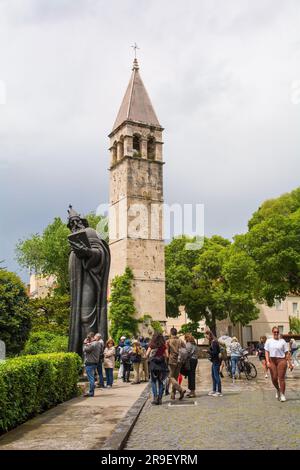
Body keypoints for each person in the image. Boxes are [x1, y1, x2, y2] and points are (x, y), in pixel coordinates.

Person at [265, 326, 292, 402]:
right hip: (272, 360)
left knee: (281, 378)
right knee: (273, 378)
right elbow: (266, 352)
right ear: (272, 332)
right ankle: (278, 389)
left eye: (277, 332)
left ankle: (283, 394)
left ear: (279, 333)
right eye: (275, 332)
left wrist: (289, 363)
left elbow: (287, 353)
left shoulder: (282, 341)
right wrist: (267, 362)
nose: (276, 333)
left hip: (281, 360)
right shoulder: (268, 341)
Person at [146, 333, 169, 405]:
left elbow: (146, 354)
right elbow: (167, 355)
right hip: (161, 365)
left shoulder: (151, 345)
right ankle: (160, 399)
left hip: (153, 365)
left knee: (153, 381)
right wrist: (161, 355)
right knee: (160, 381)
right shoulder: (163, 346)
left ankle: (155, 398)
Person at [167, 328, 186, 400]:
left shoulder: (168, 341)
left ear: (171, 333)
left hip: (172, 360)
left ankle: (180, 389)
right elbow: (185, 349)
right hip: (180, 360)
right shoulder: (181, 341)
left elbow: (167, 352)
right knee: (175, 377)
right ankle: (173, 394)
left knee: (170, 377)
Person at [83, 332, 101, 397]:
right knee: (92, 377)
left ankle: (91, 392)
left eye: (88, 338)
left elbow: (85, 350)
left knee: (91, 378)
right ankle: (91, 392)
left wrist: (85, 344)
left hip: (90, 362)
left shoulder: (93, 344)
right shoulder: (98, 343)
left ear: (91, 337)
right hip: (95, 362)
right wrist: (88, 344)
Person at [205, 330, 222, 397]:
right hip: (214, 361)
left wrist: (208, 351)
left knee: (216, 376)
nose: (206, 337)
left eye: (206, 335)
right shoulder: (212, 342)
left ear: (209, 335)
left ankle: (219, 391)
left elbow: (215, 353)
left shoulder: (214, 342)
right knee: (213, 375)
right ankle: (214, 390)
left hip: (216, 361)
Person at [184, 334, 198, 398]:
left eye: (185, 338)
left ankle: (192, 392)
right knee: (191, 375)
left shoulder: (188, 344)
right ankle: (191, 391)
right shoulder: (194, 344)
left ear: (187, 338)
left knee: (191, 376)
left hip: (191, 360)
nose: (185, 340)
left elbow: (186, 353)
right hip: (194, 360)